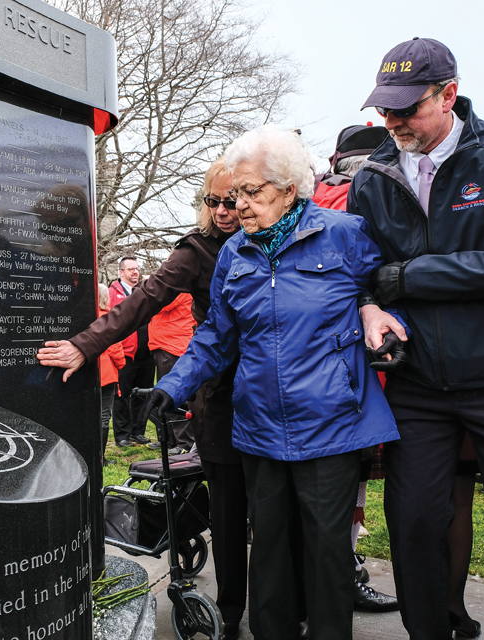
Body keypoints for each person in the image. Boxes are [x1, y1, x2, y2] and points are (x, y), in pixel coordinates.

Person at [142, 125, 401, 640]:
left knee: (327, 554)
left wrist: (379, 315)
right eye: (234, 194)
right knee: (269, 554)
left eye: (251, 193)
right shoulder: (235, 254)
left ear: (289, 190)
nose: (238, 205)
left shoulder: (344, 233)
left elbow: (386, 292)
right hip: (258, 426)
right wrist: (172, 385)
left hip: (330, 424)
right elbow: (217, 334)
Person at [348, 37, 484, 640]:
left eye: (407, 109)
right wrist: (370, 304)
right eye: (384, 110)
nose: (392, 122)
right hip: (418, 381)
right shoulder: (371, 175)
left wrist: (408, 278)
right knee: (414, 525)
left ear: (448, 95)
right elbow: (363, 268)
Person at [37, 157, 249, 639]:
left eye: (230, 200)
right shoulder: (196, 251)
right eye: (212, 201)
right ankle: (232, 613)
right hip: (219, 397)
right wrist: (86, 344)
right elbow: (142, 301)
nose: (221, 211)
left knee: (277, 511)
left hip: (274, 398)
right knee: (229, 514)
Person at [313, 122, 401, 614]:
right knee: (345, 483)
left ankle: (336, 575)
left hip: (334, 360)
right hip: (360, 364)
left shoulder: (314, 199)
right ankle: (341, 576)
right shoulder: (368, 199)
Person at [108, 257, 155, 447]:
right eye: (130, 270)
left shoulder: (146, 291)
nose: (134, 272)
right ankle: (122, 435)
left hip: (147, 352)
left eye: (136, 269)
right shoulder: (113, 293)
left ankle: (138, 431)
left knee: (143, 395)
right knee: (122, 396)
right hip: (125, 353)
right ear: (121, 273)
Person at [147, 292, 196, 453]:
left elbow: (159, 301)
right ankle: (168, 439)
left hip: (174, 347)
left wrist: (148, 288)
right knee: (165, 395)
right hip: (165, 345)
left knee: (176, 396)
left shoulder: (180, 287)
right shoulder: (176, 284)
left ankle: (184, 443)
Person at [97, 287, 125, 464]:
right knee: (104, 415)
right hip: (106, 372)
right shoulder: (107, 318)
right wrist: (121, 363)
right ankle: (101, 457)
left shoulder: (83, 316)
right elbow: (114, 347)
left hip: (88, 372)